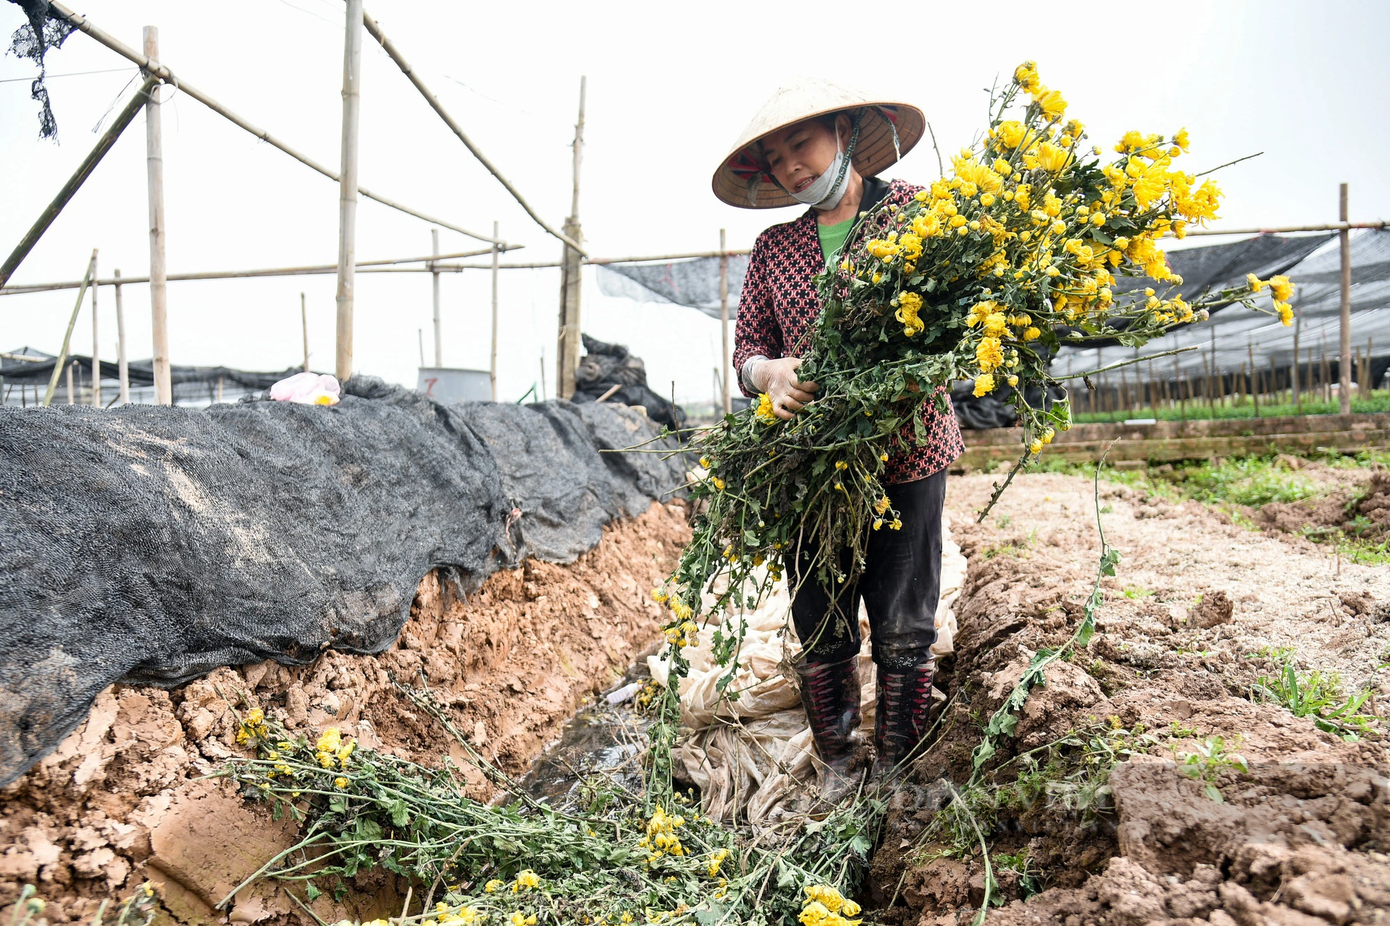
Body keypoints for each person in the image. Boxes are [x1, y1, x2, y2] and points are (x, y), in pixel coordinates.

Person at [711, 79, 966, 801]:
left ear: (847, 132)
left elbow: (956, 328)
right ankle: (837, 764)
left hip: (908, 447)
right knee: (818, 607)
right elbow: (746, 354)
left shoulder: (920, 214)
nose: (792, 166)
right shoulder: (775, 246)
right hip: (810, 459)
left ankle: (896, 771)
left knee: (903, 614)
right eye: (777, 158)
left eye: (802, 144)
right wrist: (768, 375)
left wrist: (899, 382)